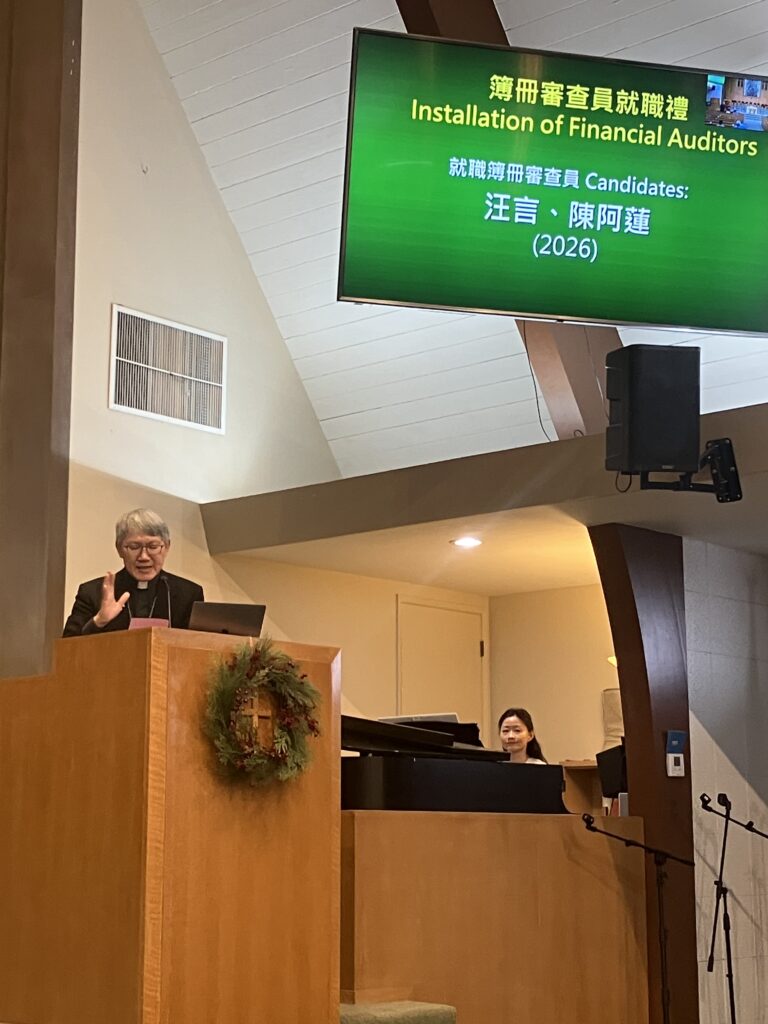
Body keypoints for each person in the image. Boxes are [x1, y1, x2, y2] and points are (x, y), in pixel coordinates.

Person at [63, 508, 204, 636]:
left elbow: (200, 646)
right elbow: (67, 647)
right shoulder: (92, 592)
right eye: (134, 546)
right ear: (119, 549)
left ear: (166, 547)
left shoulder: (189, 594)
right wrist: (99, 621)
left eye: (153, 546)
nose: (144, 557)